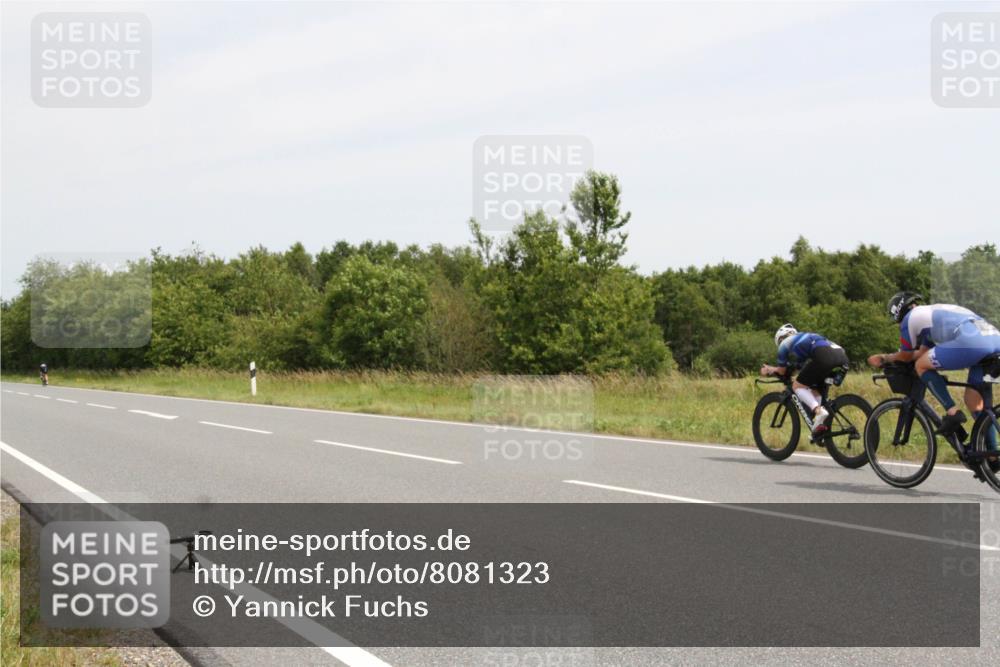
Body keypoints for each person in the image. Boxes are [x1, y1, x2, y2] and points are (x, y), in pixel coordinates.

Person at [868, 292, 1000, 451]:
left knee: (921, 366)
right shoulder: (930, 316)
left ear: (899, 314)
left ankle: (952, 412)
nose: (899, 326)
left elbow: (907, 355)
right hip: (993, 339)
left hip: (971, 342)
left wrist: (884, 358)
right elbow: (922, 352)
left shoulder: (909, 319)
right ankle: (992, 454)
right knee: (975, 403)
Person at [760, 324, 849, 434]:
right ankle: (819, 425)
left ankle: (819, 411)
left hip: (825, 357)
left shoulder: (785, 343)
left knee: (797, 386)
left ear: (781, 338)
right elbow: (800, 366)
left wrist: (770, 369)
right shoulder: (806, 338)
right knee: (814, 388)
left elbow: (782, 371)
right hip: (842, 358)